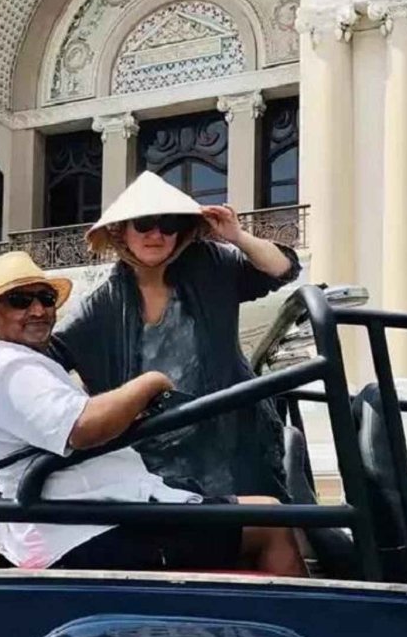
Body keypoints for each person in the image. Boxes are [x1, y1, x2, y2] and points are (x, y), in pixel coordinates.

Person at [0, 250, 304, 575]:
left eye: (46, 299)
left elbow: (279, 269)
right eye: (21, 301)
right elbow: (83, 425)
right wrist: (150, 384)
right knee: (270, 520)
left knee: (250, 512)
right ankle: (315, 631)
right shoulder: (13, 367)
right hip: (87, 527)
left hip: (111, 506)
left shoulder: (20, 363)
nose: (38, 310)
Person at [50, 171, 301, 500]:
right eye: (143, 223)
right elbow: (49, 357)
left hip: (232, 445)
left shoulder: (210, 265)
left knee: (271, 527)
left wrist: (238, 236)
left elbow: (283, 269)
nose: (156, 234)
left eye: (168, 223)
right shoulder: (103, 304)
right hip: (155, 466)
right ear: (122, 231)